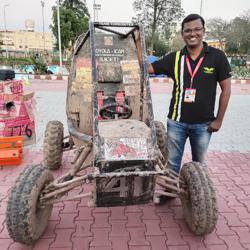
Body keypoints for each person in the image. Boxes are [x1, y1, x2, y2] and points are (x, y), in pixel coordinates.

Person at [148, 14, 231, 174]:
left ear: (203, 31)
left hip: (204, 125)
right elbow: (148, 69)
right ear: (182, 34)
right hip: (176, 123)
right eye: (188, 30)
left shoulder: (217, 57)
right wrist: (132, 54)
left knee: (199, 165)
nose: (192, 34)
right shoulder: (175, 58)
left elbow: (226, 89)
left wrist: (219, 120)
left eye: (197, 29)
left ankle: (196, 196)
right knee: (172, 163)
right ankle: (169, 195)